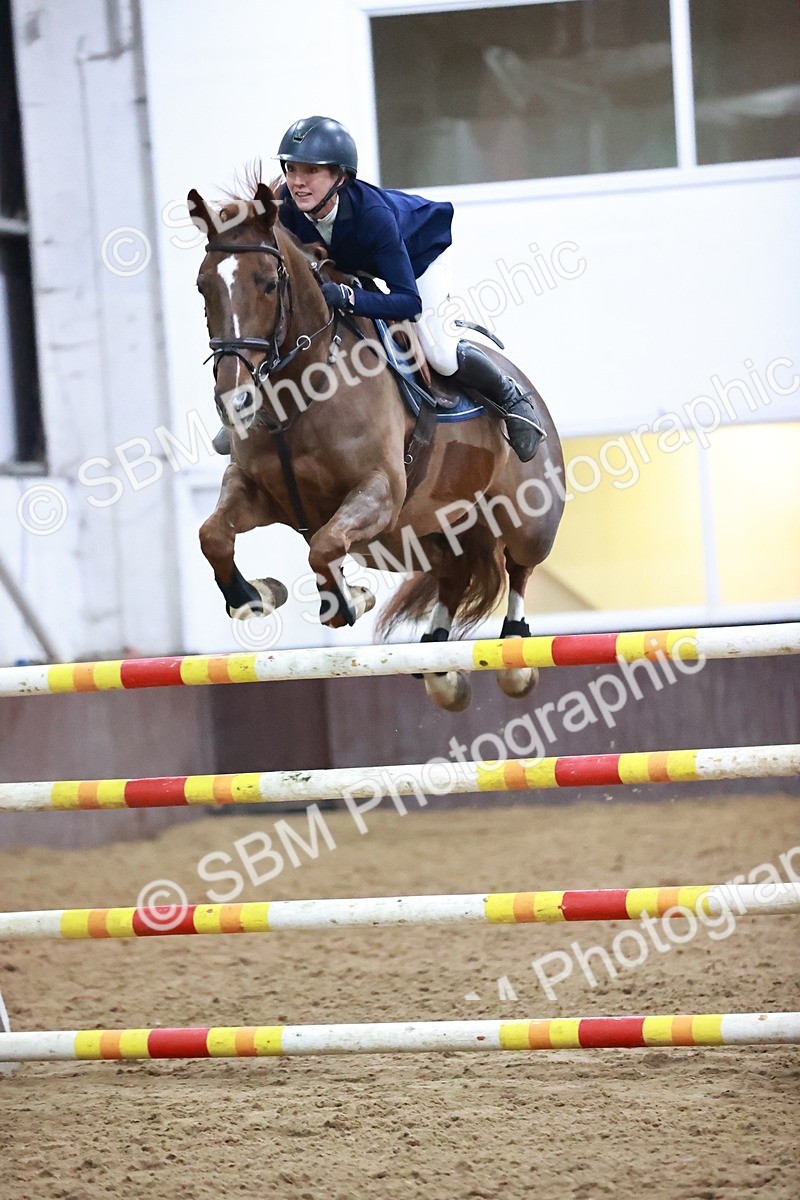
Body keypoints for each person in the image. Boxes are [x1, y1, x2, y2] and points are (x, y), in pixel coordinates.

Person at [217, 115, 545, 461]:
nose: (298, 182)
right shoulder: (286, 206)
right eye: (292, 170)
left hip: (416, 256)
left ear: (340, 176)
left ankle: (512, 398)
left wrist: (349, 297)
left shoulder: (373, 216)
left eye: (311, 171)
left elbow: (407, 303)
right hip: (353, 260)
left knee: (441, 354)